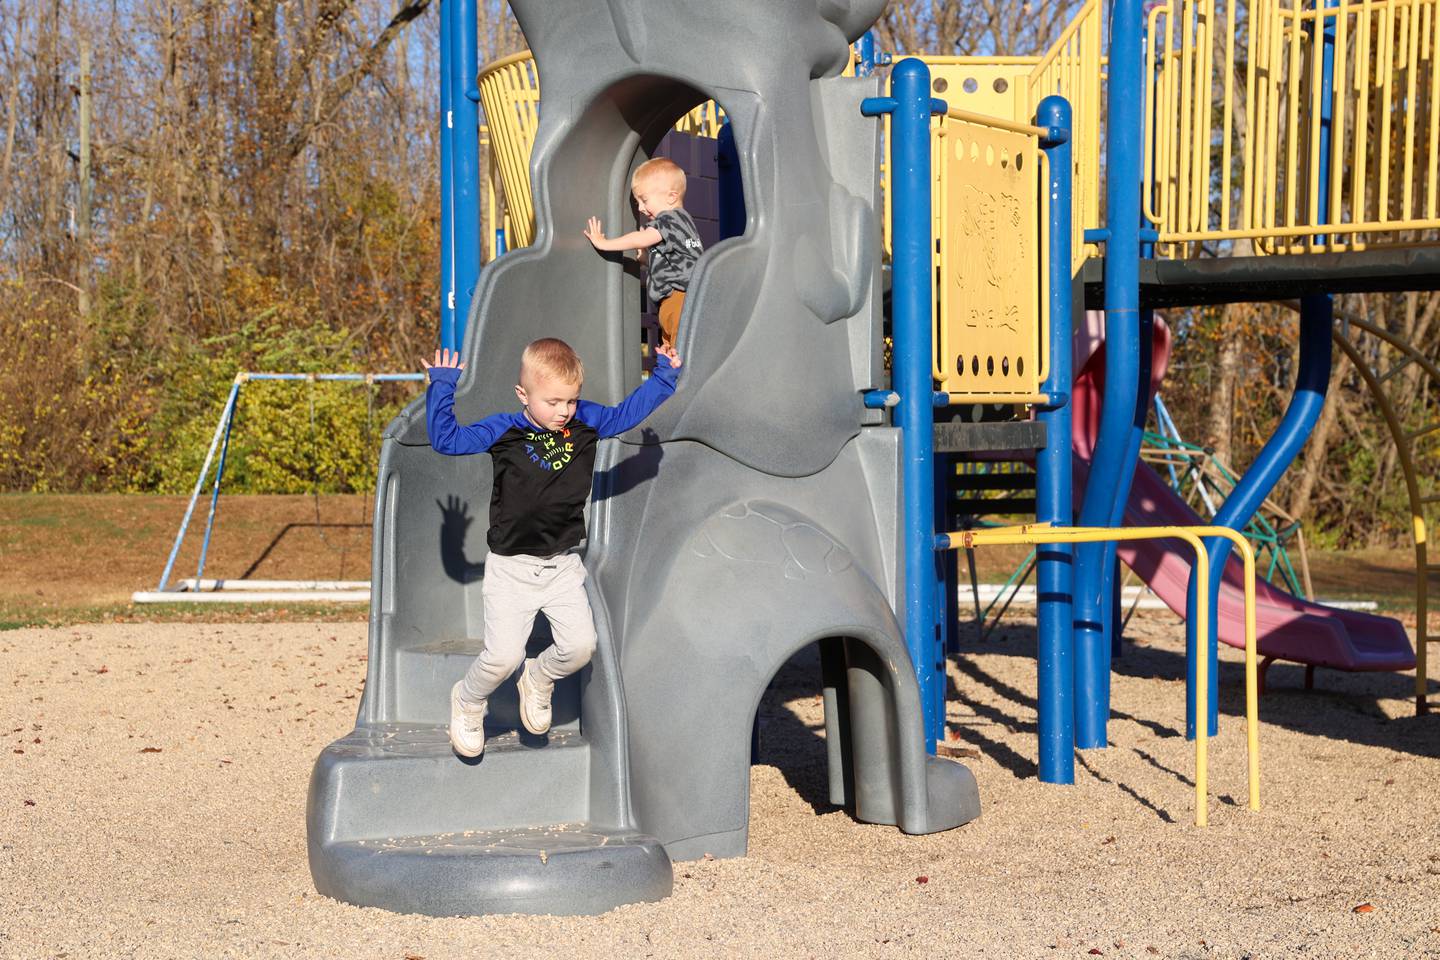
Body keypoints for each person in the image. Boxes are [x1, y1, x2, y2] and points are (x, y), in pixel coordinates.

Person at [422, 338, 682, 757]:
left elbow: (625, 414)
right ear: (523, 395)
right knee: (503, 657)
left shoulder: (583, 423)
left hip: (562, 566)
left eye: (571, 401)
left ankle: (538, 678)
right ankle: (469, 700)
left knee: (580, 648)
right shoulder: (505, 430)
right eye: (554, 401)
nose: (564, 411)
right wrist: (442, 386)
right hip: (512, 569)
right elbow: (447, 440)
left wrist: (665, 377)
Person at [584, 156, 703, 349]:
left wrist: (604, 243)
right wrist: (648, 259)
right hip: (681, 300)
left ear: (671, 197)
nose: (640, 208)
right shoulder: (685, 221)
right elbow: (677, 260)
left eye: (644, 200)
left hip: (678, 300)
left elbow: (638, 239)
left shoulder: (668, 219)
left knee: (679, 353)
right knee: (672, 349)